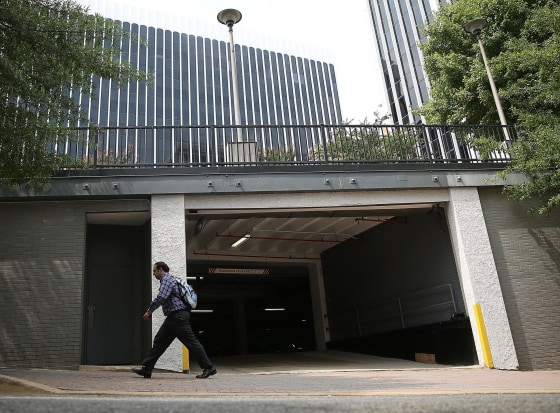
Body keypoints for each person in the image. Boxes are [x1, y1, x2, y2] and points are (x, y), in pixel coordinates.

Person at [132, 261, 217, 379]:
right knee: (160, 341)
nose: (153, 274)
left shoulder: (167, 279)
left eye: (154, 271)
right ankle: (147, 368)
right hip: (174, 317)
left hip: (178, 317)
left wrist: (149, 311)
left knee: (191, 342)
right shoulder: (169, 280)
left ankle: (208, 367)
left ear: (160, 270)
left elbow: (161, 297)